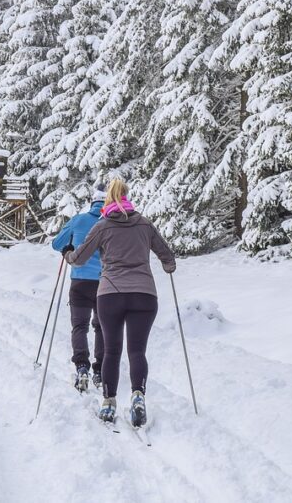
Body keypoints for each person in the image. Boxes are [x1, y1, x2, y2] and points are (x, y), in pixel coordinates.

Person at [63, 177, 176, 427]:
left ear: (108, 200)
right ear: (127, 197)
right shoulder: (145, 224)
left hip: (111, 294)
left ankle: (109, 402)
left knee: (112, 351)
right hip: (144, 295)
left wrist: (68, 255)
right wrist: (168, 266)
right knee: (137, 351)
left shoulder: (102, 226)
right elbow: (167, 256)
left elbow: (80, 257)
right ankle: (137, 395)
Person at [50, 186, 107, 392]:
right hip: (105, 283)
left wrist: (69, 248)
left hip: (80, 282)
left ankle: (82, 366)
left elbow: (57, 244)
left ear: (92, 203)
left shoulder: (79, 220)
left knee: (79, 327)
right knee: (101, 327)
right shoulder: (111, 223)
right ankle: (100, 370)